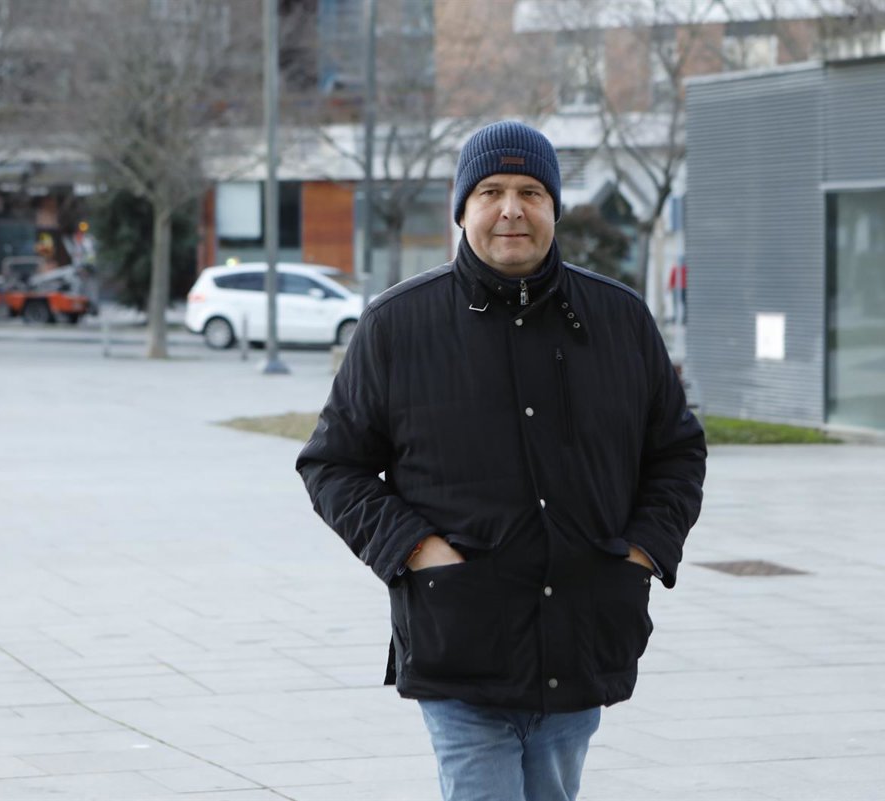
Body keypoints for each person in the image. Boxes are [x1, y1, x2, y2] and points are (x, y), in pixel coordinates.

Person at [296, 120, 706, 801]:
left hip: (582, 633)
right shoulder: (397, 325)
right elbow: (332, 464)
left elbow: (676, 452)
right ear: (462, 210)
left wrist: (640, 554)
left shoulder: (619, 320)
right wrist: (416, 549)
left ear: (554, 208)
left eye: (530, 192)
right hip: (461, 639)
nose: (511, 208)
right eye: (490, 191)